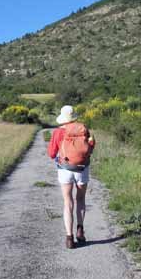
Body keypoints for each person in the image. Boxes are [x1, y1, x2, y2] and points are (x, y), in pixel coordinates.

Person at [47, 105, 95, 249]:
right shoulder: (84, 129)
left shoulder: (58, 132)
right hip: (82, 168)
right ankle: (80, 230)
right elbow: (90, 147)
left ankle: (69, 238)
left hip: (65, 169)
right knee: (80, 199)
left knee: (68, 201)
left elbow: (51, 153)